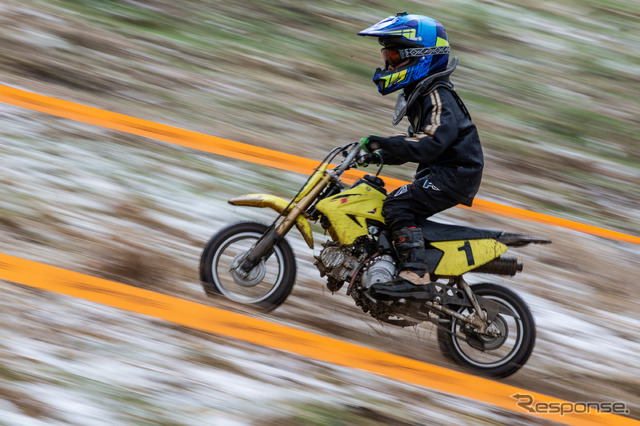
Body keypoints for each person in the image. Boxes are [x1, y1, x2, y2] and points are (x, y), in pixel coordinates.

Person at [358, 12, 484, 287]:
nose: (388, 64)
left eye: (393, 57)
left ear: (421, 56)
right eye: (386, 57)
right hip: (442, 171)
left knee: (397, 204)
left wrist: (383, 141)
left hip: (454, 175)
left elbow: (428, 144)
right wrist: (376, 154)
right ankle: (391, 261)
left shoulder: (438, 95)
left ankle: (415, 272)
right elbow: (415, 144)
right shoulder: (423, 92)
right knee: (385, 206)